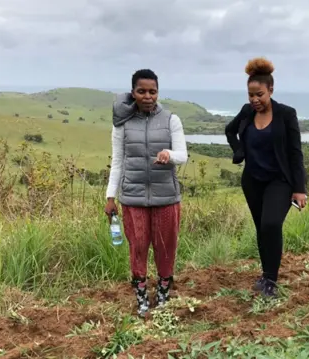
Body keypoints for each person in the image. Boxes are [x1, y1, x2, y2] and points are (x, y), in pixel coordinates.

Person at [104, 69, 188, 317]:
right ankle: (141, 296)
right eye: (142, 91)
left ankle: (163, 293)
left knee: (166, 247)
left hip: (166, 197)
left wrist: (169, 154)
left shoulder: (171, 120)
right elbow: (117, 162)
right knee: (138, 247)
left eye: (153, 91)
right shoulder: (122, 125)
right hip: (132, 197)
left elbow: (183, 155)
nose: (148, 96)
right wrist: (110, 197)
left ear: (158, 92)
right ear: (133, 93)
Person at [225, 57, 308, 298]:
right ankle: (266, 274)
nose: (254, 100)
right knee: (262, 229)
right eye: (250, 95)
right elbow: (230, 131)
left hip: (280, 181)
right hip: (252, 181)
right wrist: (238, 151)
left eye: (259, 94)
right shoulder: (247, 111)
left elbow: (295, 153)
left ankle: (271, 279)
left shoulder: (286, 114)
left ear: (271, 89)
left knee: (271, 224)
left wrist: (299, 188)